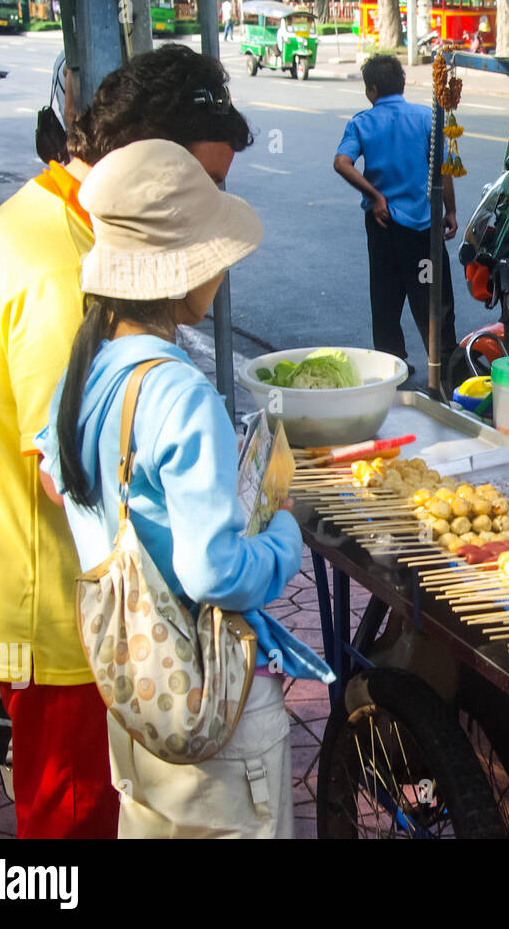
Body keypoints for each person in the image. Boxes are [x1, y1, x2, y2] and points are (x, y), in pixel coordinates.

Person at [0, 44, 254, 839]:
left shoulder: (67, 225)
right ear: (148, 171)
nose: (212, 209)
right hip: (70, 624)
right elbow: (77, 469)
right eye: (205, 186)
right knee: (72, 832)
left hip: (79, 611)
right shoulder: (60, 264)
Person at [36, 139, 333, 838]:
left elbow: (62, 483)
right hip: (213, 714)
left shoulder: (85, 369)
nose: (222, 273)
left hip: (137, 697)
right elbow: (217, 572)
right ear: (178, 274)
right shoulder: (179, 392)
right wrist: (285, 528)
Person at [333, 54, 458, 374]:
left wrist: (374, 196)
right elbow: (444, 169)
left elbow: (341, 163)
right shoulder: (427, 118)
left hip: (383, 224)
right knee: (433, 293)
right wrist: (451, 210)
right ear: (402, 84)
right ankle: (443, 366)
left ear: (372, 90)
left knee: (386, 296)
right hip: (424, 227)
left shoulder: (361, 122)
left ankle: (393, 367)